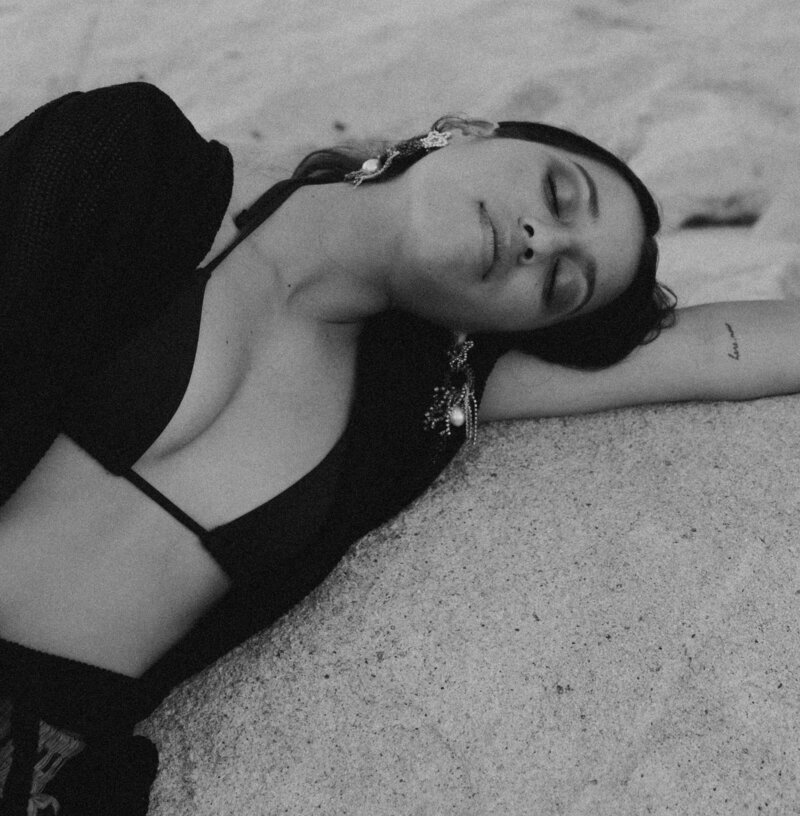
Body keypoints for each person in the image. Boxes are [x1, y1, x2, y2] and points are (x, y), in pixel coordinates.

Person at [0, 80, 796, 815]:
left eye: (562, 283)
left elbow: (704, 351)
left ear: (511, 329)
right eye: (558, 192)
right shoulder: (132, 165)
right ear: (463, 131)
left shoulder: (409, 409)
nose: (538, 239)